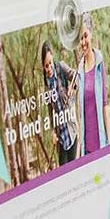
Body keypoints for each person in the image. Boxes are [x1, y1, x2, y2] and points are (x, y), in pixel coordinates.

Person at [74, 16, 109, 160]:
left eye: (85, 36)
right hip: (86, 149)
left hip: (100, 144)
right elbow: (80, 114)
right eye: (80, 39)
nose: (83, 42)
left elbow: (104, 105)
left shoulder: (99, 64)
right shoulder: (80, 71)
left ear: (91, 34)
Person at [40, 39, 78, 168]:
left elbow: (76, 76)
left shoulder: (61, 67)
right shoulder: (46, 85)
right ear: (43, 66)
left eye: (50, 63)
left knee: (73, 169)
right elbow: (51, 112)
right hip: (60, 137)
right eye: (46, 65)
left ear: (53, 59)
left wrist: (72, 87)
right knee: (63, 171)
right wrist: (53, 132)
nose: (49, 68)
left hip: (71, 131)